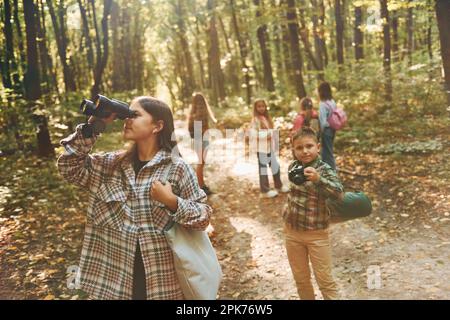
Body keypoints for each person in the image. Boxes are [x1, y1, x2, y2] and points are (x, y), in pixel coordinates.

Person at [57, 96, 212, 300]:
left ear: (158, 126)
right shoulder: (110, 165)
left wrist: (172, 202)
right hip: (116, 283)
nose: (127, 120)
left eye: (135, 115)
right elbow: (69, 167)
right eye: (126, 115)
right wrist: (93, 127)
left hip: (163, 283)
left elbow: (203, 218)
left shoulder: (177, 168)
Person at [283, 127, 343, 300]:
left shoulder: (324, 169)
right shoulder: (293, 167)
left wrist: (318, 179)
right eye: (299, 148)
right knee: (301, 280)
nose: (305, 151)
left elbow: (338, 193)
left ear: (318, 147)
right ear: (293, 150)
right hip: (292, 234)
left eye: (309, 146)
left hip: (317, 234)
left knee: (325, 281)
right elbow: (294, 195)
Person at [251, 99, 289, 198]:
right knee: (263, 169)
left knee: (275, 166)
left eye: (263, 106)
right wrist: (267, 134)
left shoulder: (267, 118)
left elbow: (272, 132)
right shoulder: (255, 120)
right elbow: (254, 134)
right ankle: (265, 190)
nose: (261, 108)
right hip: (261, 149)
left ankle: (278, 185)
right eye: (259, 106)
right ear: (255, 108)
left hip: (269, 148)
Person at [187, 93, 218, 196]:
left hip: (198, 140)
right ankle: (200, 186)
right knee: (201, 163)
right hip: (201, 140)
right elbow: (202, 130)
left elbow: (192, 131)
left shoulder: (193, 114)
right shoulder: (201, 115)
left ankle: (201, 185)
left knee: (201, 162)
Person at [318, 82, 337, 170]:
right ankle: (326, 170)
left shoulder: (322, 104)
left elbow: (323, 121)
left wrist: (320, 133)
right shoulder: (332, 102)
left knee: (328, 152)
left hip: (326, 130)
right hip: (333, 129)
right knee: (326, 151)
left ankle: (333, 172)